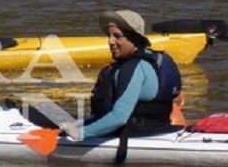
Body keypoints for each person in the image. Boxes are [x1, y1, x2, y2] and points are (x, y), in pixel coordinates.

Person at [60, 9, 184, 142]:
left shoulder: (134, 68)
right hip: (158, 129)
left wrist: (80, 133)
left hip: (134, 136)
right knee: (60, 119)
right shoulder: (150, 61)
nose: (110, 41)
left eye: (117, 36)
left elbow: (119, 117)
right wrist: (76, 125)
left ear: (134, 38)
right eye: (109, 35)